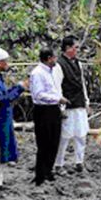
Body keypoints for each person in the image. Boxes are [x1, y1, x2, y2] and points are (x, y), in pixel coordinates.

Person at [0, 48, 29, 196]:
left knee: (2, 149)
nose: (8, 64)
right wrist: (19, 88)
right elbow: (2, 99)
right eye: (6, 61)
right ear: (0, 63)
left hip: (4, 118)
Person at [30, 47, 69, 186]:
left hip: (54, 109)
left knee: (54, 141)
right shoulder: (38, 73)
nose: (56, 60)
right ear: (48, 58)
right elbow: (38, 94)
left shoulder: (52, 72)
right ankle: (40, 174)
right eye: (54, 57)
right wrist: (57, 99)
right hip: (43, 110)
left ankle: (49, 170)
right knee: (44, 143)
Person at [53, 35, 90, 173]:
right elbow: (57, 87)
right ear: (68, 48)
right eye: (76, 47)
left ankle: (79, 161)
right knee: (64, 136)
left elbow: (82, 84)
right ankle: (58, 163)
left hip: (79, 103)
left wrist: (86, 101)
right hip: (67, 104)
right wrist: (60, 106)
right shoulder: (58, 65)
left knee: (81, 134)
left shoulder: (78, 63)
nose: (77, 50)